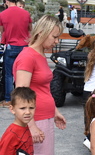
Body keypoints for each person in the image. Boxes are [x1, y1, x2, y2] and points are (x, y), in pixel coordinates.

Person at [13, 15, 66, 155]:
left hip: (44, 117)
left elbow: (44, 90)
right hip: (36, 119)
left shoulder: (40, 55)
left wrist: (55, 112)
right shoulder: (28, 57)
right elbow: (21, 94)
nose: (57, 41)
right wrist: (31, 125)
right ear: (41, 33)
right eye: (54, 37)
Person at [0, 0, 32, 107]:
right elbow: (30, 29)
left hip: (11, 46)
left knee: (9, 74)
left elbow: (2, 32)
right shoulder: (26, 13)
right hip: (24, 47)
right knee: (24, 73)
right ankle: (23, 98)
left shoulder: (2, 14)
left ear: (7, 2)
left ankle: (9, 99)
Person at [0, 87, 36, 155]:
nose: (28, 112)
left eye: (31, 108)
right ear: (12, 109)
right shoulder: (11, 134)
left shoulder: (25, 126)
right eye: (22, 108)